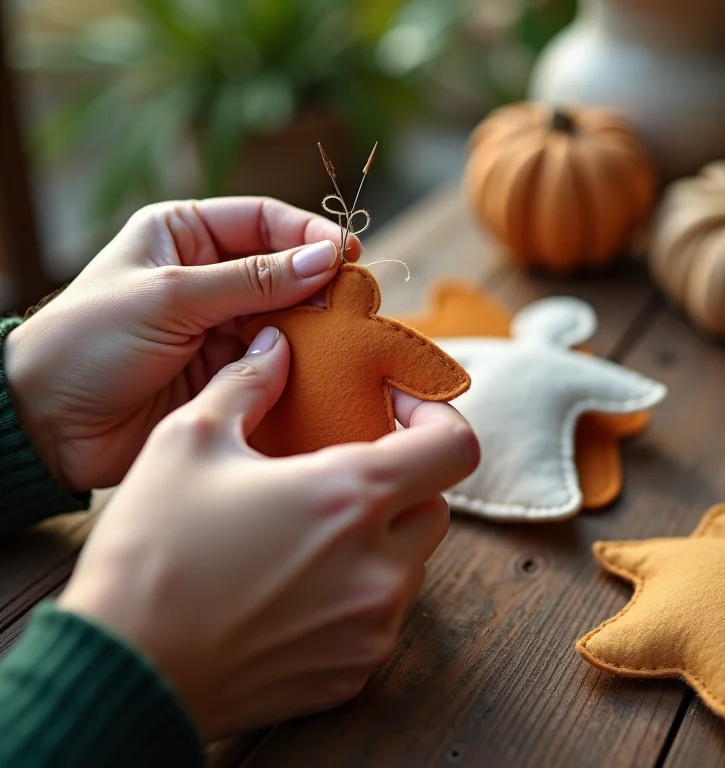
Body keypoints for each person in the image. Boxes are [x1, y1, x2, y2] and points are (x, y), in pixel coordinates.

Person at [0, 197, 480, 767]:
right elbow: (429, 371)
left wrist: (34, 412)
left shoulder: (278, 326)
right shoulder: (360, 337)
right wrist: (141, 663)